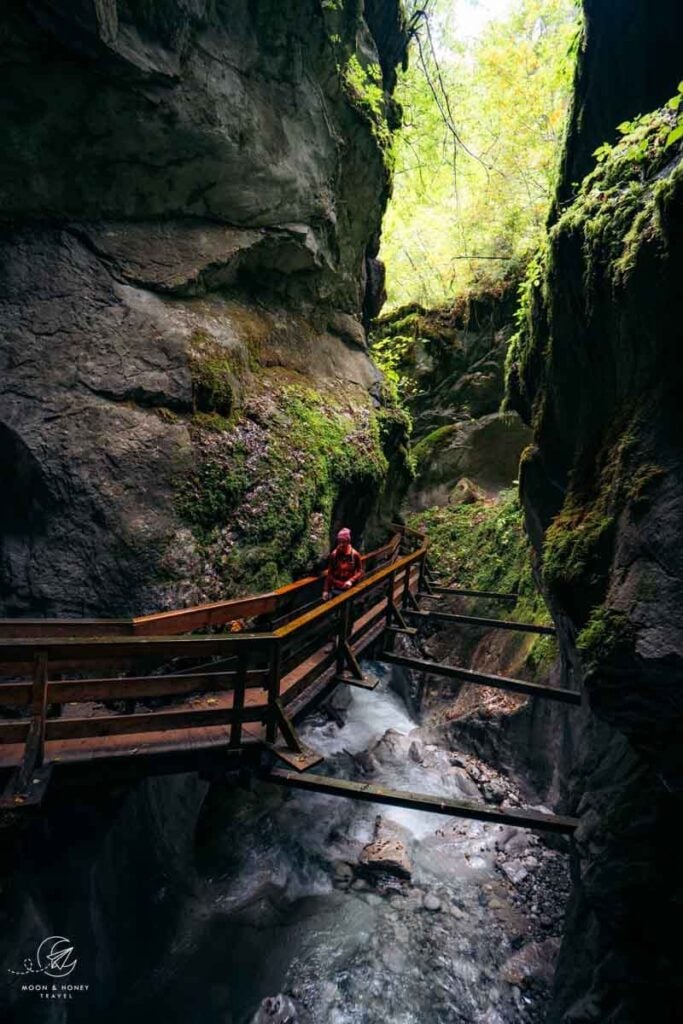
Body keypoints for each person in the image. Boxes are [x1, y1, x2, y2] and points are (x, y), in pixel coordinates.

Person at [322, 527, 363, 600]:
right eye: (339, 541)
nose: (341, 544)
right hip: (335, 589)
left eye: (343, 542)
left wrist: (351, 580)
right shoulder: (334, 555)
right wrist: (325, 590)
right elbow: (330, 573)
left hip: (349, 589)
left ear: (348, 541)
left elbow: (360, 571)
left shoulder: (355, 555)